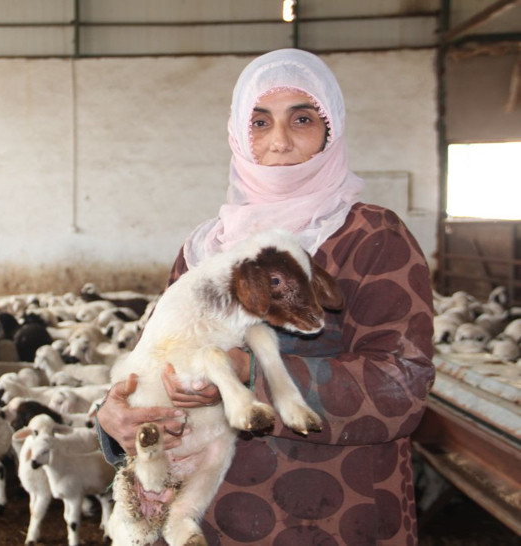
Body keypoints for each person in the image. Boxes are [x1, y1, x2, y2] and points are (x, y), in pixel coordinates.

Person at [96, 48, 435, 545]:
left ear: (331, 130)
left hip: (330, 516)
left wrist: (250, 374)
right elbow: (154, 357)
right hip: (205, 521)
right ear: (238, 133)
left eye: (302, 119)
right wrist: (115, 417)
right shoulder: (204, 249)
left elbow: (401, 387)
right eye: (259, 122)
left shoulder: (370, 237)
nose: (279, 141)